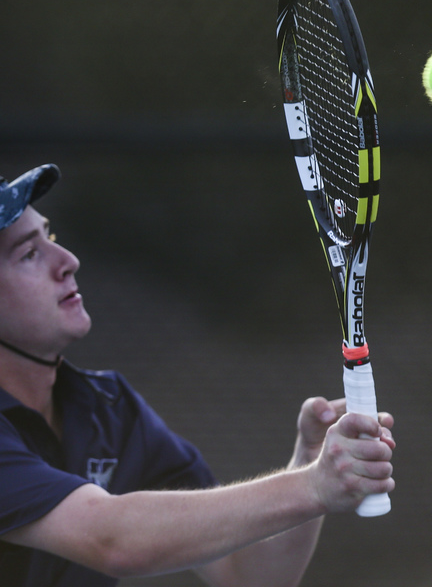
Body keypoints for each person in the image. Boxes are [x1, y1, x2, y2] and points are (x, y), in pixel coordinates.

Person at [0, 164, 396, 587]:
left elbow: (248, 576)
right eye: (28, 254)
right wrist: (313, 486)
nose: (68, 261)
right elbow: (112, 539)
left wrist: (311, 464)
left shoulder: (109, 407)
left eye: (51, 237)